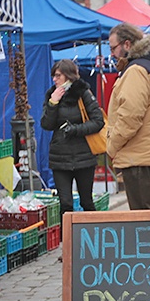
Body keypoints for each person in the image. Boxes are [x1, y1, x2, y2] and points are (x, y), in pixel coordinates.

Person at [106, 23, 150, 209]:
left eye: (113, 47)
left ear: (127, 44)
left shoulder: (137, 70)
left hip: (141, 155)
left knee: (144, 220)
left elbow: (130, 116)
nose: (112, 53)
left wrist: (112, 145)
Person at [40, 59, 104, 218]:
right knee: (65, 203)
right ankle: (67, 239)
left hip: (84, 157)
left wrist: (75, 130)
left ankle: (92, 234)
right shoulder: (51, 95)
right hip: (60, 158)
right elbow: (46, 124)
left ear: (68, 75)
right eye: (53, 76)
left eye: (58, 76)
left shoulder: (83, 93)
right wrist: (53, 103)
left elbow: (98, 121)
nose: (54, 79)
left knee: (86, 201)